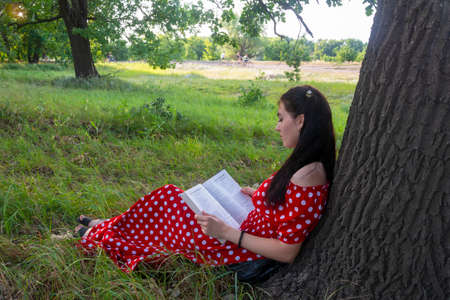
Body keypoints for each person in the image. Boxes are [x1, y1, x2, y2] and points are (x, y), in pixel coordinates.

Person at [75, 85, 336, 280]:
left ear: (300, 120)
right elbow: (286, 209)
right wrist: (258, 195)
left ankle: (104, 237)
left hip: (241, 248)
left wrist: (225, 232)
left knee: (170, 217)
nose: (277, 127)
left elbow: (287, 251)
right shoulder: (305, 162)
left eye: (281, 118)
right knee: (170, 199)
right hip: (243, 226)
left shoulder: (309, 175)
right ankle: (111, 226)